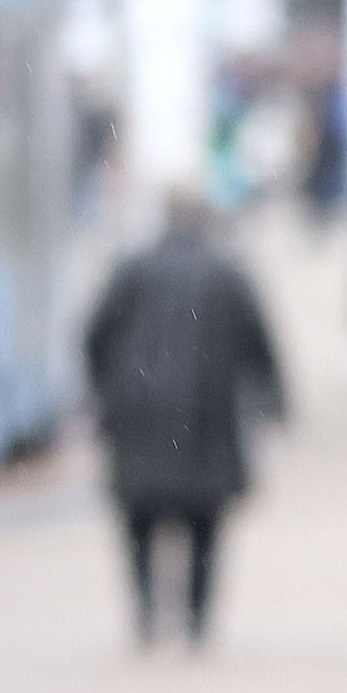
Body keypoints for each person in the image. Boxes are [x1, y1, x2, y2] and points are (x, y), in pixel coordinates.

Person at [82, 188, 285, 651]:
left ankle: (146, 613)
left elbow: (95, 334)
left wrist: (104, 388)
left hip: (138, 415)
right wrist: (272, 400)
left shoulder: (132, 267)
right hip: (207, 414)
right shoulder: (226, 271)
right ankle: (196, 617)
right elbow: (259, 341)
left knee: (139, 521)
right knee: (205, 523)